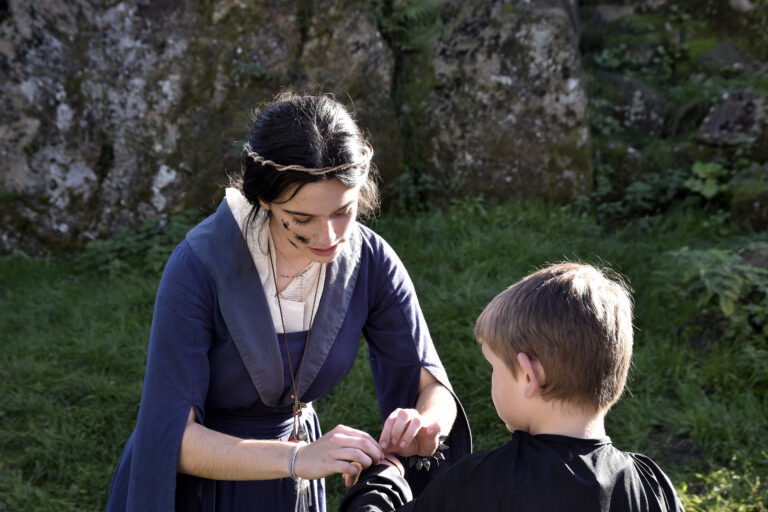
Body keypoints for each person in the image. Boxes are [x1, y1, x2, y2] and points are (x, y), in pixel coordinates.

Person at [106, 93, 471, 512]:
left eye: (343, 212)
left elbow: (432, 386)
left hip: (297, 478)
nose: (330, 237)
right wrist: (298, 457)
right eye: (302, 220)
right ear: (264, 199)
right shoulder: (199, 267)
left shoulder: (370, 260)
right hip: (202, 489)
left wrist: (426, 422)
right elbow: (171, 439)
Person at [340, 262, 685, 511]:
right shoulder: (651, 485)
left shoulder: (480, 482)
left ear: (529, 377)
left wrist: (386, 473)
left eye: (494, 366)